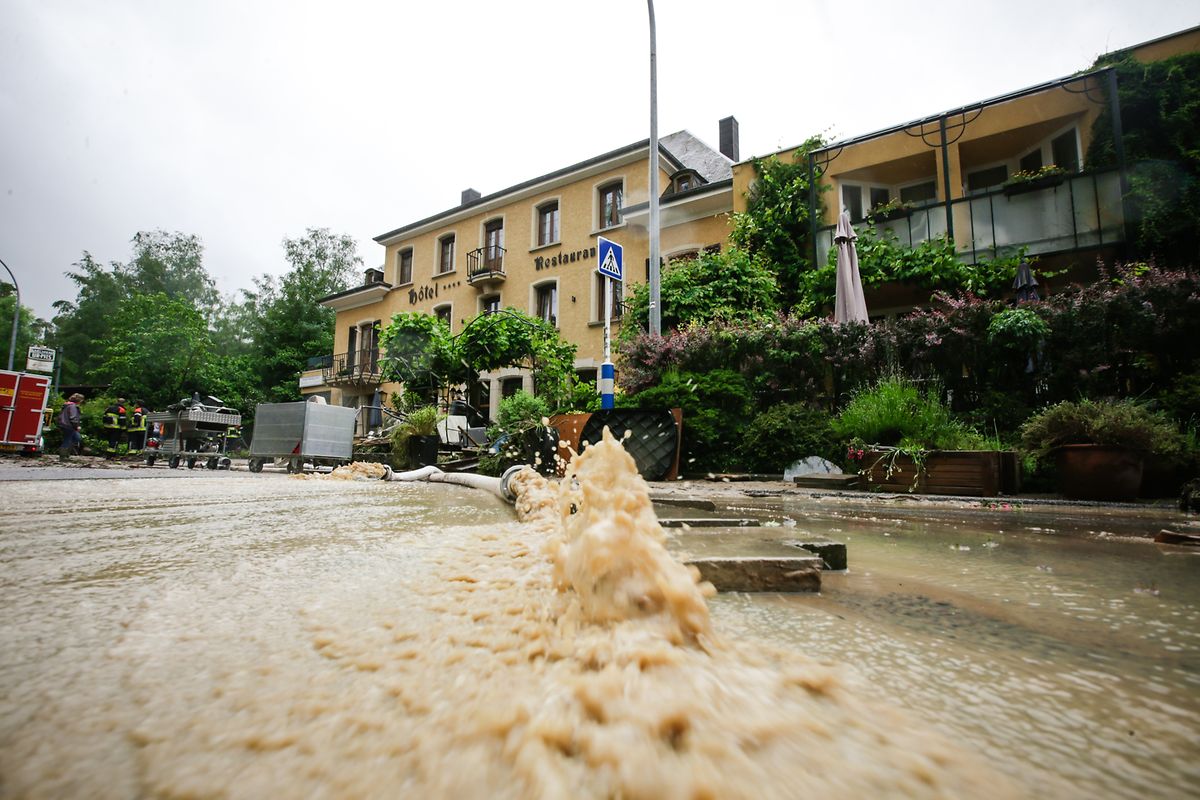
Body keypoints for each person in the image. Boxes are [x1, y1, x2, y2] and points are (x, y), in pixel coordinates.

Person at [58, 393, 85, 459]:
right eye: (81, 400)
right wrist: (76, 426)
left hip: (64, 425)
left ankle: (66, 453)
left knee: (77, 438)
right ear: (79, 400)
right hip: (69, 425)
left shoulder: (66, 405)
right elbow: (73, 417)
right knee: (68, 439)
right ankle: (63, 455)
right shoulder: (73, 406)